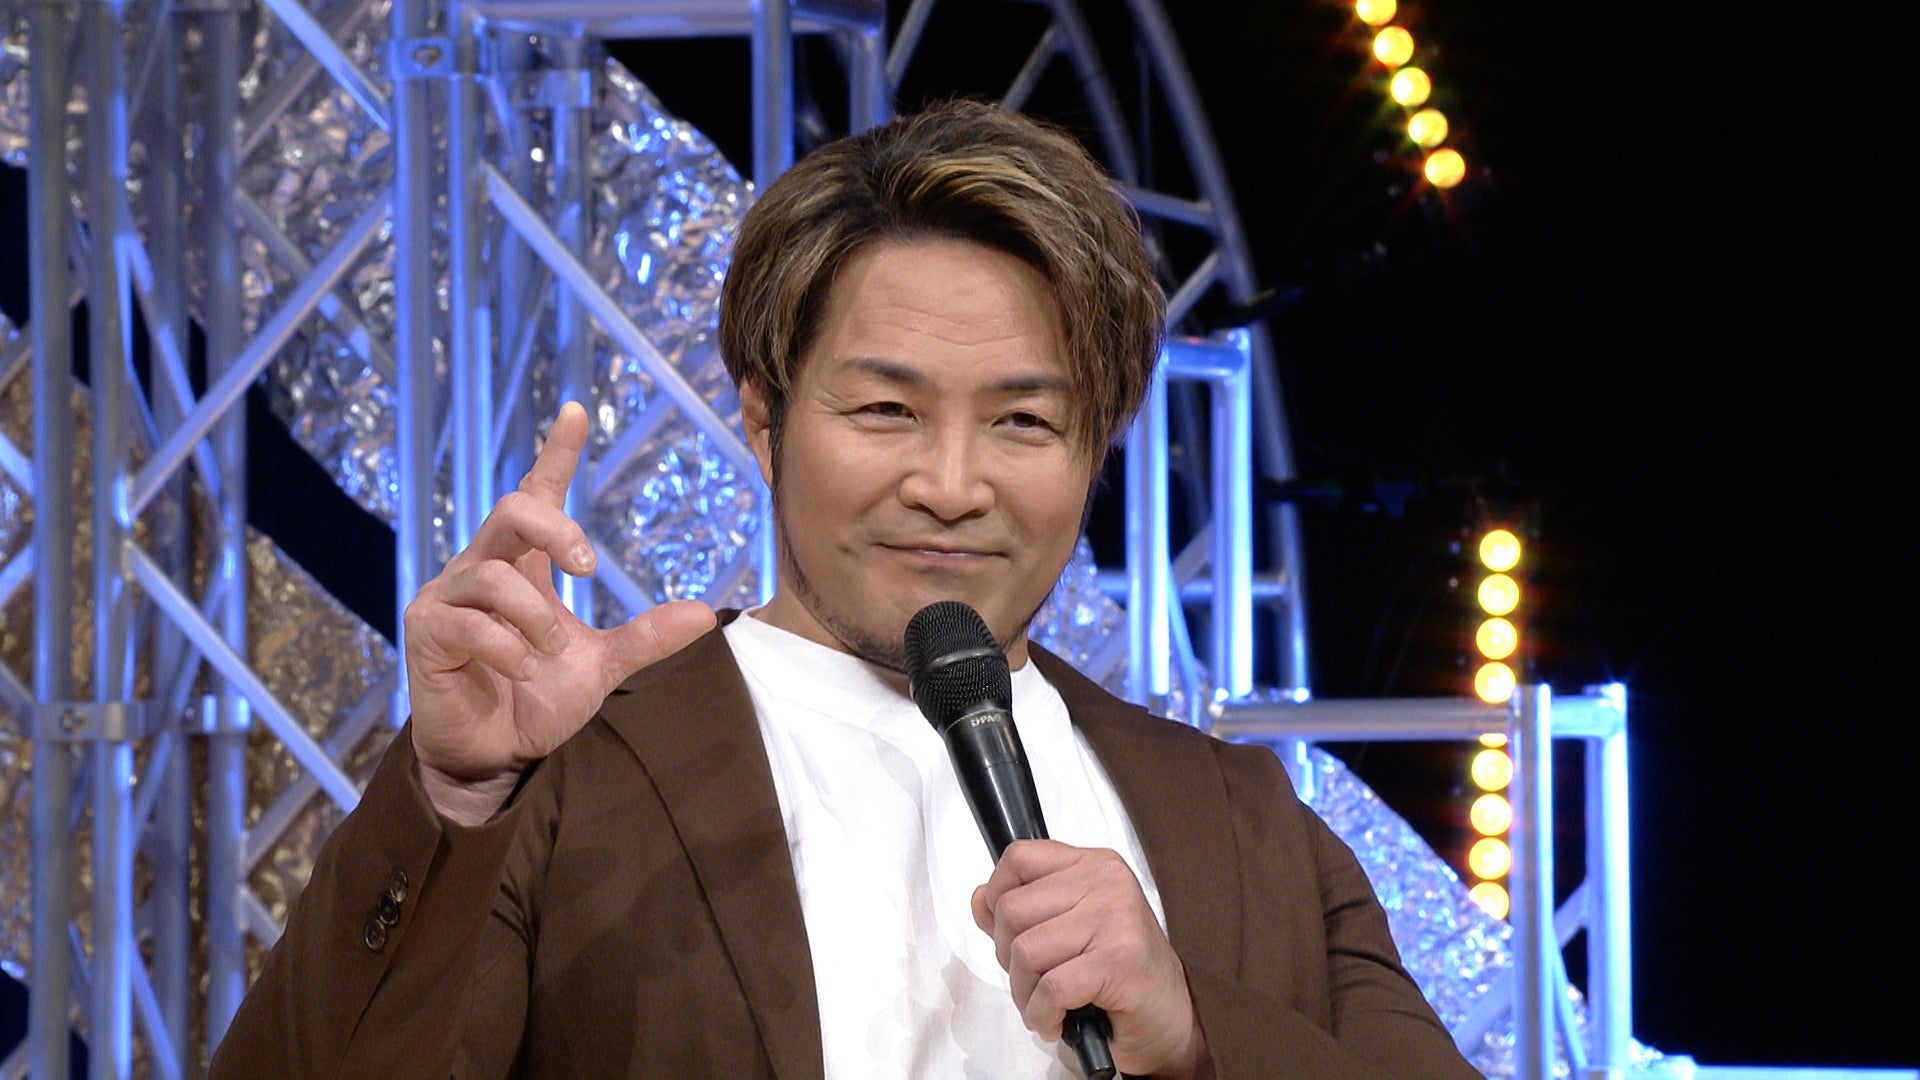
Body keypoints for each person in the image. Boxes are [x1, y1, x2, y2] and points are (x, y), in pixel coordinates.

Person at [210, 99, 1480, 1078]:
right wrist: (451, 798)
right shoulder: (569, 785)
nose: (951, 484)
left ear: (1097, 450)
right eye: (885, 410)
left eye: (1025, 422)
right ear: (764, 422)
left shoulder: (1243, 823)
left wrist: (1196, 1034)